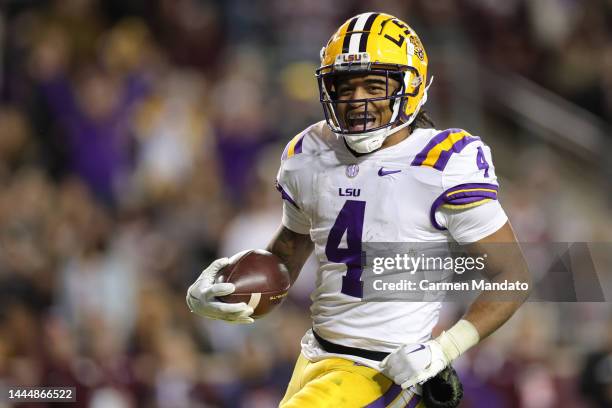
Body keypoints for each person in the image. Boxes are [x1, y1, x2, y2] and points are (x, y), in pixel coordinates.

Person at [186, 12, 531, 407]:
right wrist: (229, 289)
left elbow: (514, 273)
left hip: (383, 371)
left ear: (411, 86)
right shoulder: (308, 151)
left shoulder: (443, 162)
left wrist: (446, 347)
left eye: (373, 85)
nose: (357, 100)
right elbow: (286, 256)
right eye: (344, 86)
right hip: (313, 356)